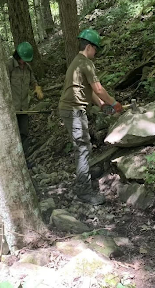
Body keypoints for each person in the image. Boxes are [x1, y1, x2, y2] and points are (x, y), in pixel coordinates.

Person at [58, 29, 122, 205]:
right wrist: (114, 104)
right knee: (83, 148)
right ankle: (84, 191)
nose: (97, 53)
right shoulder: (85, 63)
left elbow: (88, 90)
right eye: (96, 49)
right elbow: (99, 89)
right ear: (89, 47)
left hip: (73, 109)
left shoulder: (78, 62)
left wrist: (102, 105)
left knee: (84, 146)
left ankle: (83, 175)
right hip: (73, 110)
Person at [7, 41, 44, 155]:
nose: (25, 62)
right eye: (23, 59)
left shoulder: (27, 68)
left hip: (23, 107)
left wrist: (37, 89)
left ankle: (25, 157)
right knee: (12, 134)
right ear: (18, 56)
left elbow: (33, 81)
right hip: (11, 108)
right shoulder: (9, 66)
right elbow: (3, 85)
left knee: (24, 133)